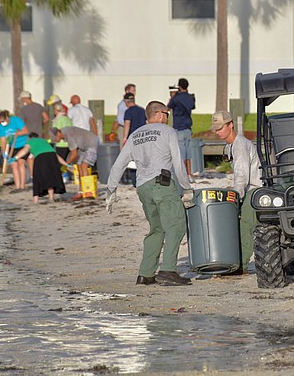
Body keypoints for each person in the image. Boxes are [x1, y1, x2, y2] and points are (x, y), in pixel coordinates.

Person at [105, 101, 194, 287]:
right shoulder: (167, 131)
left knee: (156, 229)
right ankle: (168, 270)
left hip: (143, 187)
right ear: (160, 114)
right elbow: (178, 163)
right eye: (167, 114)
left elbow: (119, 164)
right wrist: (186, 188)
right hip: (162, 183)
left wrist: (111, 190)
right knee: (176, 225)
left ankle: (145, 274)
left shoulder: (135, 135)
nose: (168, 117)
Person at [210, 110, 261, 274]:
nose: (218, 132)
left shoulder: (239, 145)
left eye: (220, 128)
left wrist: (234, 197)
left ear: (230, 124)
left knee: (245, 225)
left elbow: (242, 176)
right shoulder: (231, 145)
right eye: (216, 129)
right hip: (249, 189)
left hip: (255, 190)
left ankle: (242, 266)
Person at [8, 133, 67, 203]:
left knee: (36, 178)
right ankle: (51, 197)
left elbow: (24, 150)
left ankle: (35, 200)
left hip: (41, 157)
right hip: (52, 156)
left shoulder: (30, 142)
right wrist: (66, 164)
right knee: (50, 177)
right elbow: (56, 155)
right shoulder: (44, 141)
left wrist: (15, 157)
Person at [50, 125, 99, 200]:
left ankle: (87, 191)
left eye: (55, 138)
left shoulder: (68, 135)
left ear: (58, 133)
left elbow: (74, 154)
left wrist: (65, 165)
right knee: (79, 167)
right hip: (82, 147)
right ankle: (80, 192)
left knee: (83, 166)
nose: (55, 141)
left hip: (91, 143)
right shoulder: (64, 131)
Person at [167, 78, 196, 178]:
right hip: (188, 127)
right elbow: (192, 107)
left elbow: (168, 107)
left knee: (181, 152)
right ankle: (189, 172)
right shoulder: (190, 97)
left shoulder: (176, 98)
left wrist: (172, 97)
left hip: (178, 127)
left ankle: (182, 173)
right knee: (188, 152)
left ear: (179, 86)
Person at [19, 90, 49, 179]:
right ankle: (41, 173)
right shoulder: (39, 106)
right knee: (38, 155)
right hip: (38, 134)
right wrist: (40, 124)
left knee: (30, 156)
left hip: (28, 135)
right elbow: (46, 118)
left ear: (24, 99)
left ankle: (33, 175)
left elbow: (22, 124)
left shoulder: (23, 109)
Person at [0, 109, 29, 192]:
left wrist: (15, 134)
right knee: (13, 165)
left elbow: (25, 131)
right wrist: (4, 152)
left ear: (7, 118)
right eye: (0, 121)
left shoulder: (16, 120)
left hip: (22, 144)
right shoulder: (1, 127)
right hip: (11, 146)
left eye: (3, 121)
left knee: (21, 163)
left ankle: (22, 186)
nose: (2, 123)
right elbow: (3, 141)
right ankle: (17, 187)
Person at [51, 103, 73, 182]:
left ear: (57, 110)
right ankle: (67, 176)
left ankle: (59, 177)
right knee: (67, 160)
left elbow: (56, 131)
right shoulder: (68, 118)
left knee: (58, 161)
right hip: (69, 143)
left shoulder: (58, 119)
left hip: (61, 143)